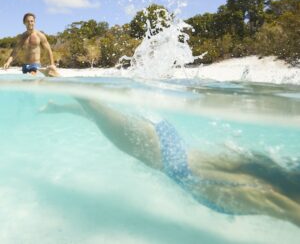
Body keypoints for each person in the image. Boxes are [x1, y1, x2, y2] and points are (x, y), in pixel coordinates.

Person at [40, 97, 300, 228]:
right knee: (99, 112)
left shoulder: (266, 182)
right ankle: (63, 84)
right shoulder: (271, 197)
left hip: (167, 140)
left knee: (103, 118)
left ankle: (58, 106)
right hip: (162, 151)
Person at [3, 13, 59, 77]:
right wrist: (8, 62)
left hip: (35, 65)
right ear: (24, 23)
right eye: (28, 21)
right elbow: (15, 51)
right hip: (25, 66)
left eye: (32, 21)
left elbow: (48, 50)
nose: (30, 23)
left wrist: (52, 65)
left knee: (32, 78)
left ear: (34, 22)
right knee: (26, 84)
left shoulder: (40, 35)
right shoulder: (22, 37)